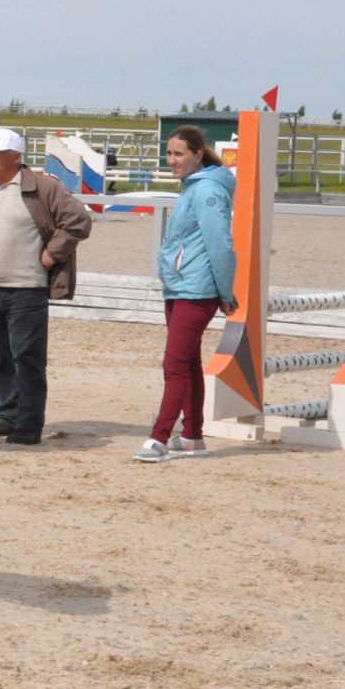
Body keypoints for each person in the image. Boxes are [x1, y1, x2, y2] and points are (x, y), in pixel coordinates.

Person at [0, 128, 94, 445]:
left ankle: (28, 424)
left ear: (16, 157)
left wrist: (54, 252)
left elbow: (79, 220)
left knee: (27, 357)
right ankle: (7, 415)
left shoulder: (42, 187)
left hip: (26, 289)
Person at [136, 126, 236, 462]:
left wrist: (225, 292)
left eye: (179, 154)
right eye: (169, 153)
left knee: (174, 363)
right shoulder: (192, 188)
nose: (172, 160)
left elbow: (220, 244)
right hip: (180, 286)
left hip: (197, 290)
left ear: (197, 153)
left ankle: (159, 436)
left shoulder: (207, 191)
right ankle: (192, 436)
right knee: (189, 363)